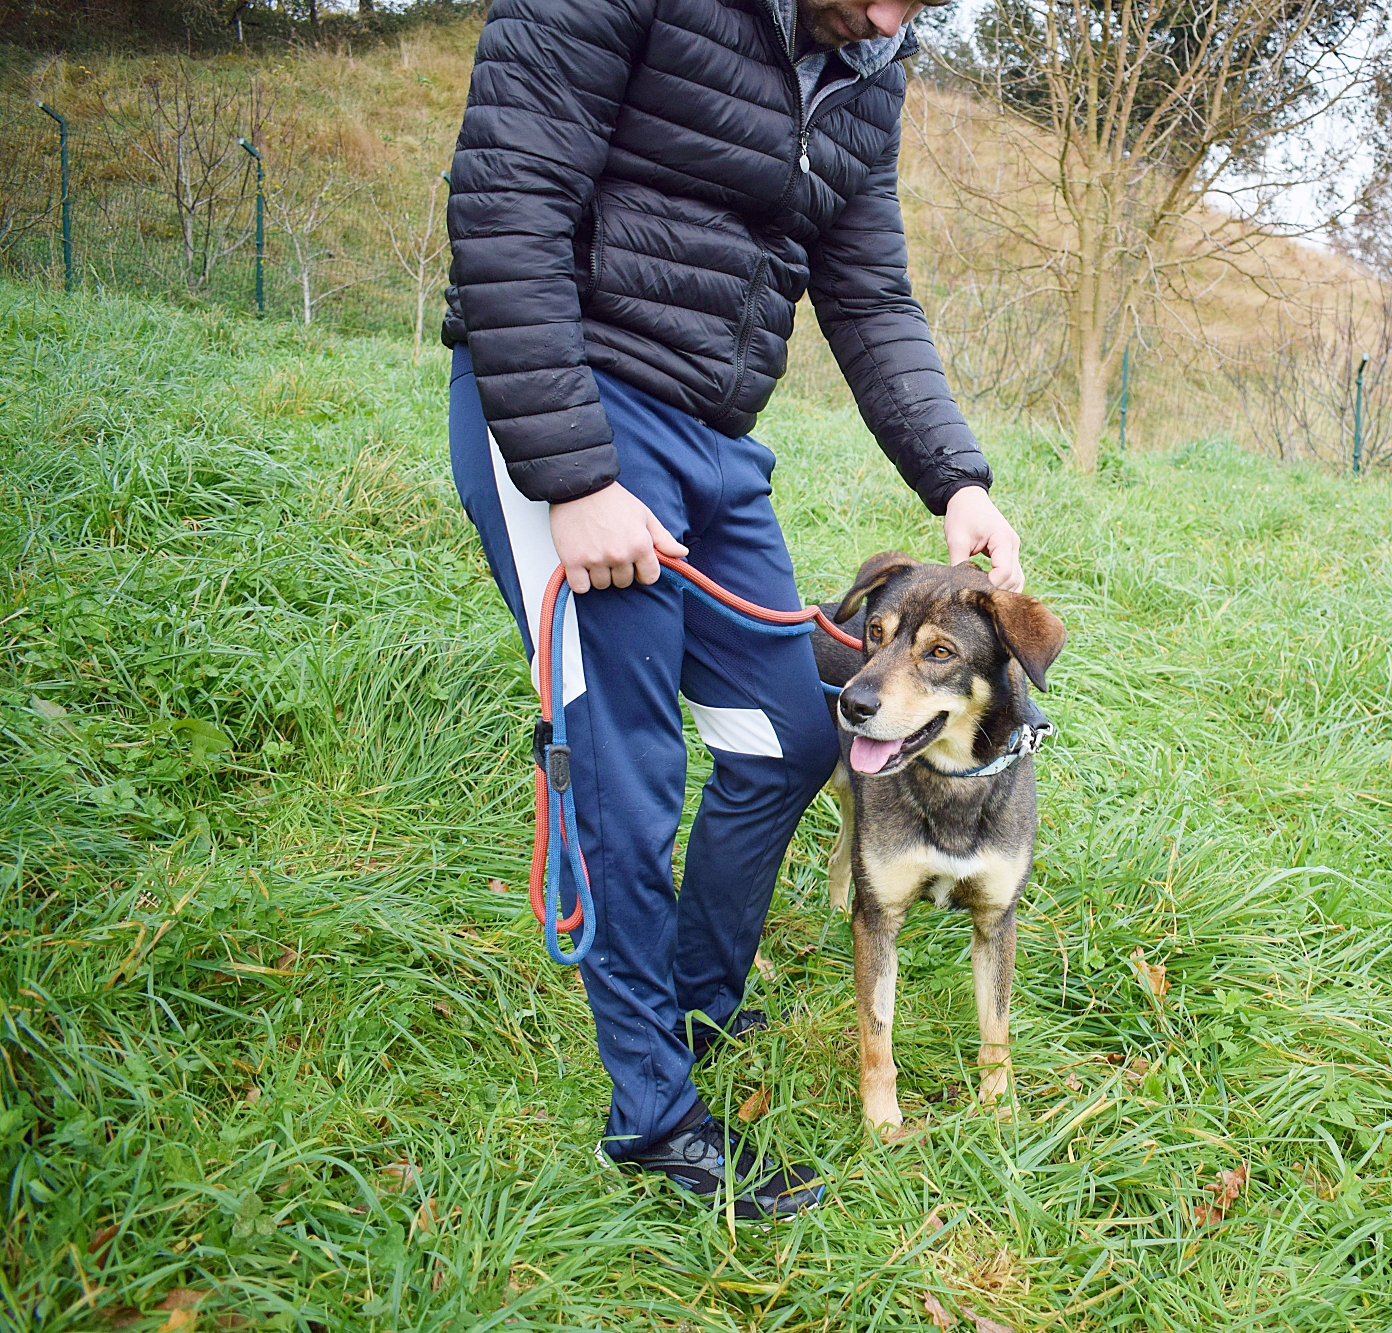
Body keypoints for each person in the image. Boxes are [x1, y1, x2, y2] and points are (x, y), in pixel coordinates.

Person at [441, 0, 1021, 1219]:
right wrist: (573, 476)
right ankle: (654, 1118)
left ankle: (696, 1000)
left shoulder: (869, 64)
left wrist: (956, 478)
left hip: (712, 440)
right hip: (574, 403)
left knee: (795, 733)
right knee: (627, 775)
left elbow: (867, 291)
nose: (892, 17)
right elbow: (510, 192)